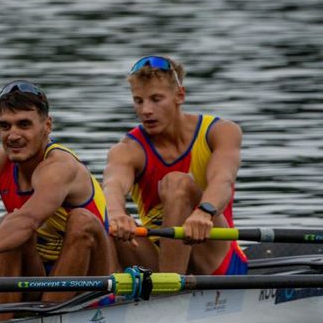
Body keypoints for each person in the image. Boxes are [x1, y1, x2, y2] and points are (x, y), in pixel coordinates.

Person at [0, 80, 115, 316]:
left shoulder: (59, 166)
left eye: (24, 125)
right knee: (7, 228)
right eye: (5, 126)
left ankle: (47, 321)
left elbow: (28, 221)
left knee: (80, 221)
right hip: (37, 278)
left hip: (91, 281)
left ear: (47, 125)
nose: (13, 135)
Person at [102, 56, 247, 275]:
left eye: (156, 99)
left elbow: (223, 180)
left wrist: (203, 212)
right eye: (138, 101)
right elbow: (112, 186)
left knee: (177, 183)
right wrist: (115, 214)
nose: (146, 110)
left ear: (179, 96)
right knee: (101, 221)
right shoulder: (127, 150)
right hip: (156, 258)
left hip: (215, 257)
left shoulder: (220, 132)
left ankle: (167, 294)